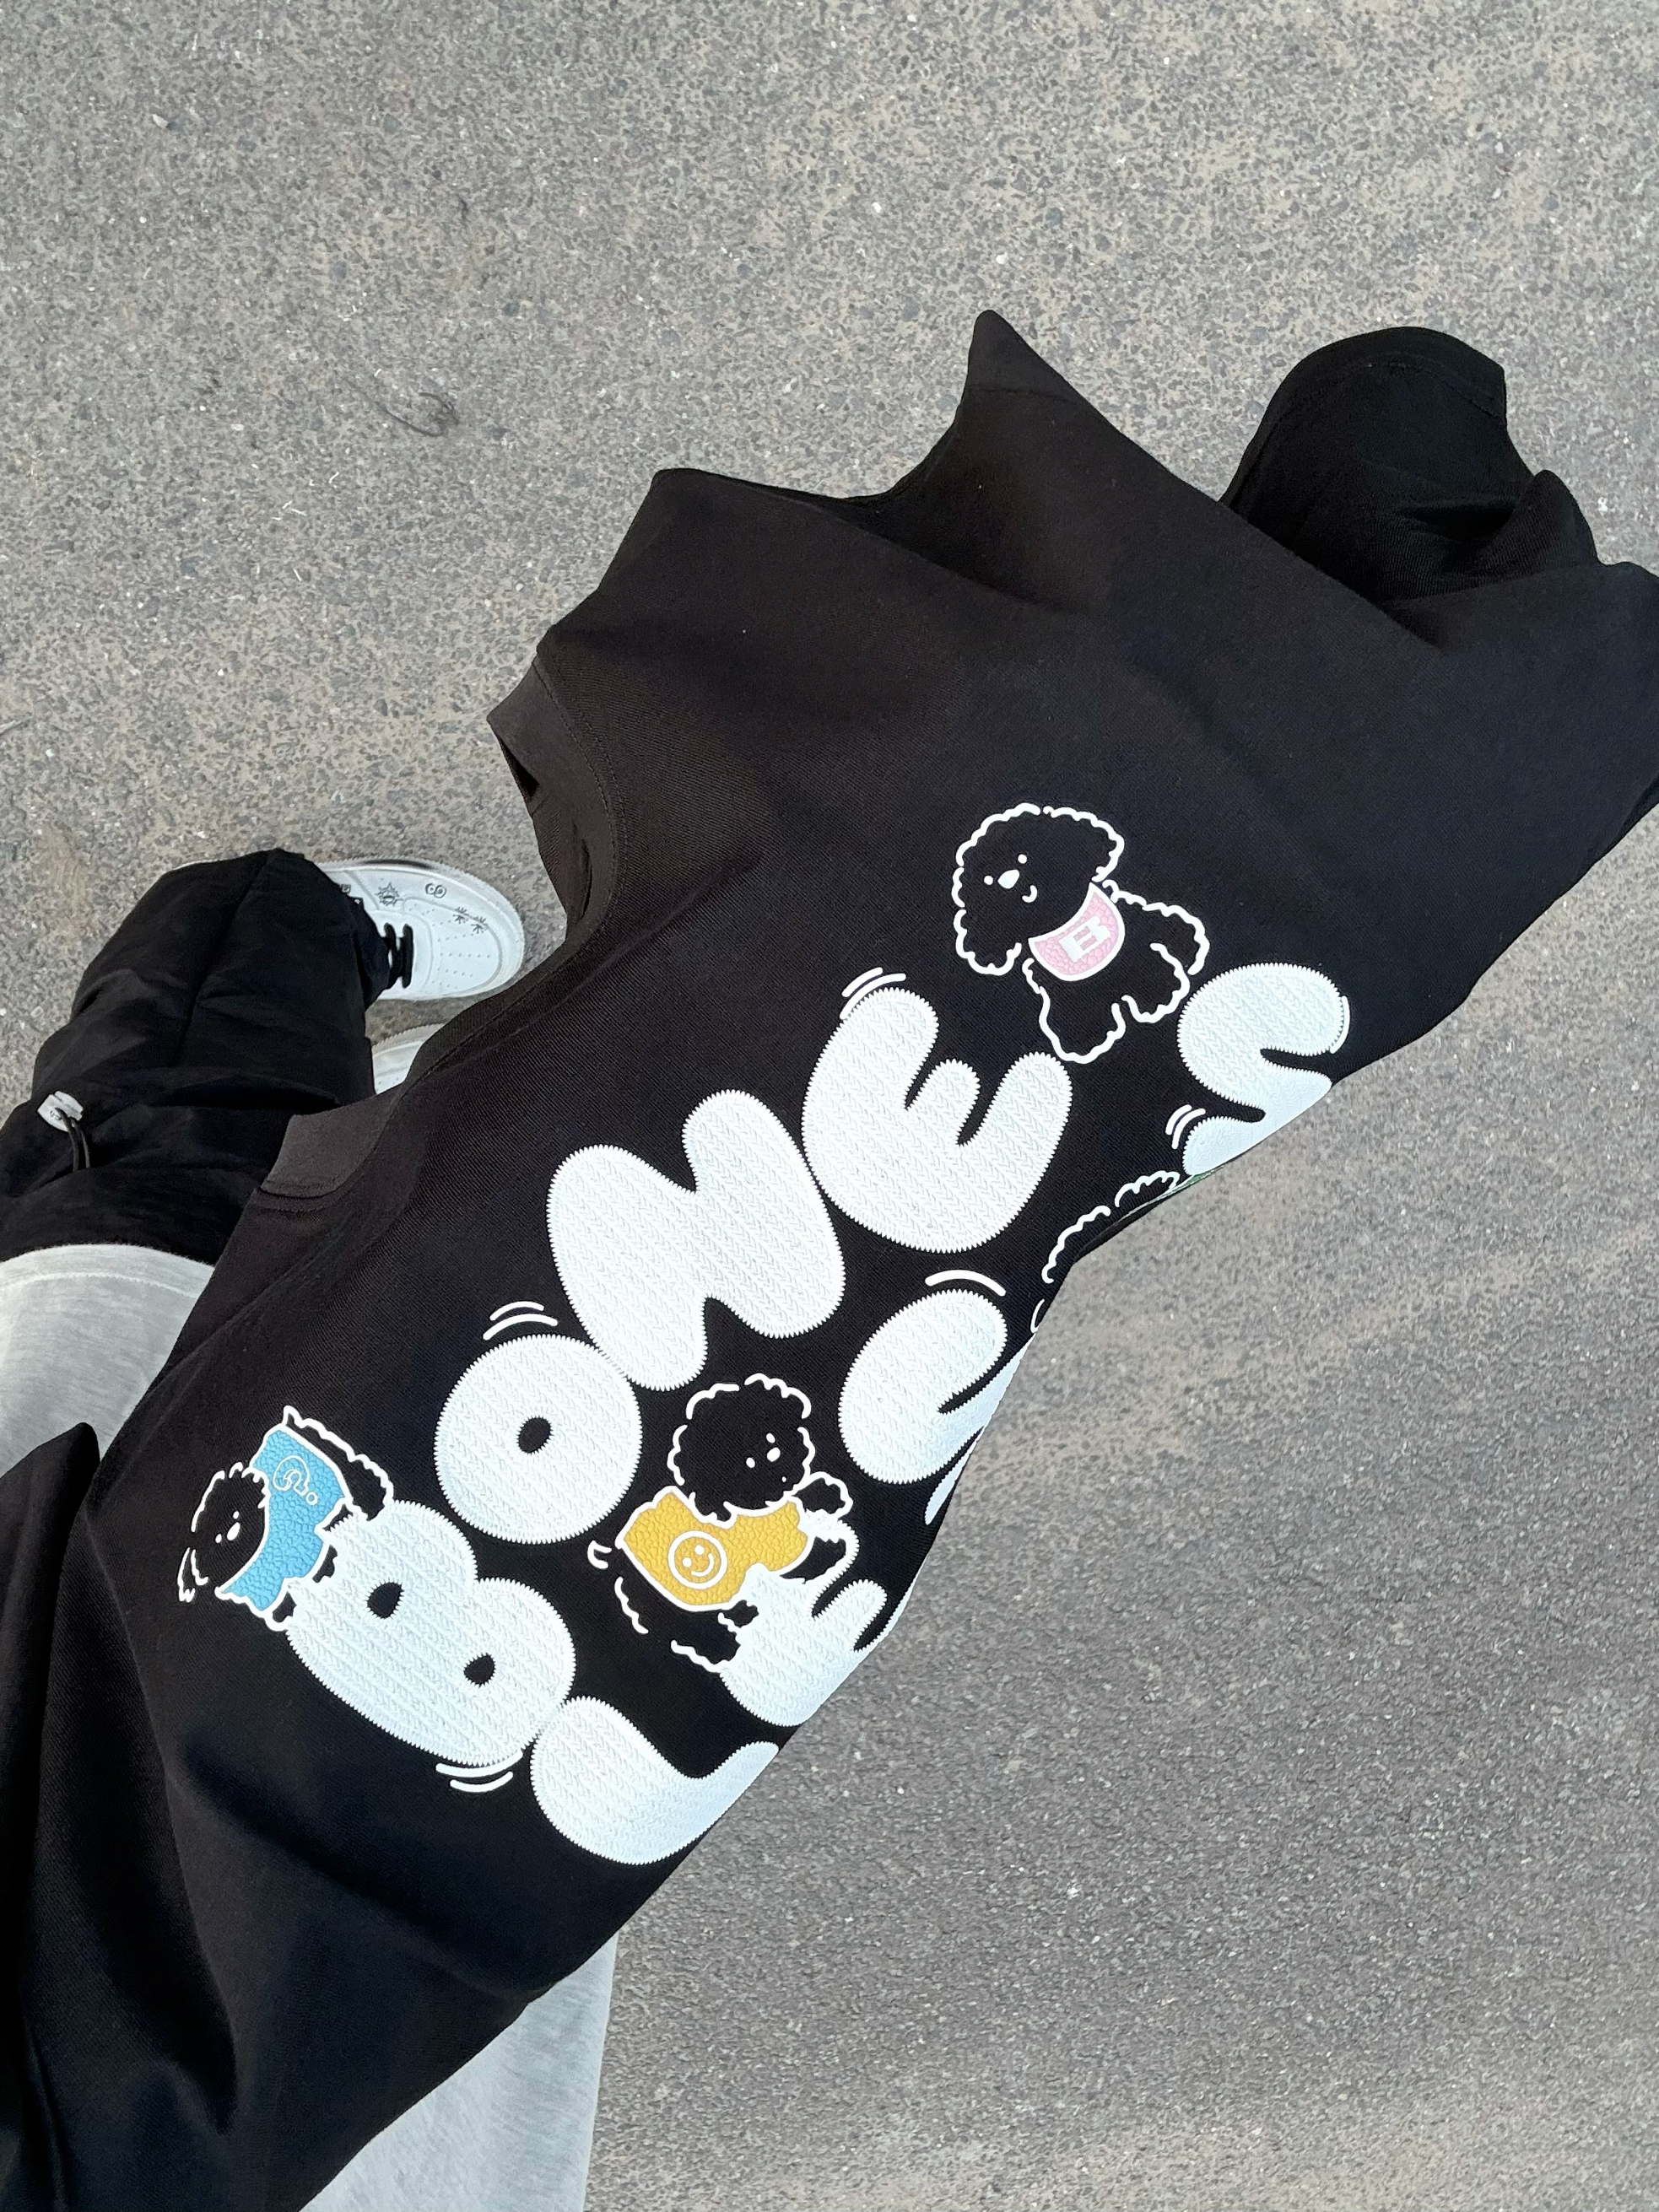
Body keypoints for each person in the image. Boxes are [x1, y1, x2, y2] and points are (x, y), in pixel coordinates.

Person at [2, 316, 1655, 2212]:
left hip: (178, 1728)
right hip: (413, 1965)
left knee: (167, 1178)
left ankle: (248, 942)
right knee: (450, 1515)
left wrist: (1028, 870)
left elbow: (131, 1981)